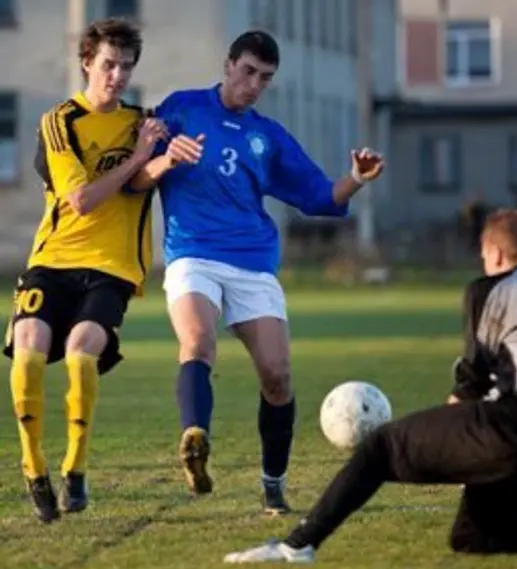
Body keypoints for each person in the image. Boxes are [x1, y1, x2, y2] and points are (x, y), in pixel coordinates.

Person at [223, 208, 517, 564]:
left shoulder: (493, 287)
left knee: (381, 448)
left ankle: (297, 546)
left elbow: (473, 380)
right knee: (473, 534)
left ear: (493, 253)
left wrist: (452, 432)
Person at [131, 30, 384, 514]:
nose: (253, 85)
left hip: (252, 261)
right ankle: (194, 437)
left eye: (264, 79)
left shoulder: (267, 137)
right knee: (198, 343)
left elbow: (318, 198)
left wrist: (356, 179)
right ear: (228, 65)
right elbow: (137, 178)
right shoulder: (181, 108)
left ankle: (273, 485)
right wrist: (164, 159)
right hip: (192, 253)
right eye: (247, 72)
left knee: (278, 376)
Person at [1, 18, 191, 524]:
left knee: (82, 355)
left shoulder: (142, 122)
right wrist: (136, 157)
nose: (117, 75)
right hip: (53, 261)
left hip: (111, 268)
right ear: (86, 62)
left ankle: (74, 470)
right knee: (27, 353)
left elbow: (140, 183)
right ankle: (34, 466)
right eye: (109, 64)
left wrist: (162, 159)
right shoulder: (59, 121)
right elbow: (82, 200)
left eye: (126, 66)